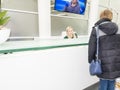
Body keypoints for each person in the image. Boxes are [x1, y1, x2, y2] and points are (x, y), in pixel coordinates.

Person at [88, 9, 120, 90]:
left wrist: (90, 59)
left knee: (103, 83)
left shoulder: (96, 29)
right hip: (116, 61)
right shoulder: (117, 29)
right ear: (110, 17)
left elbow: (92, 46)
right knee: (112, 83)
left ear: (101, 16)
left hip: (103, 61)